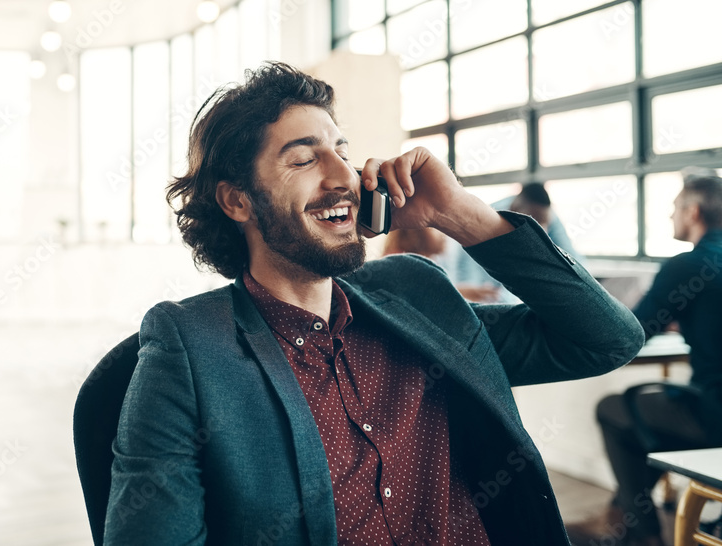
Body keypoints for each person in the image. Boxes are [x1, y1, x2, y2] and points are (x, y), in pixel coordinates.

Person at [103, 62, 644, 545]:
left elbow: (608, 340)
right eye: (303, 160)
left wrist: (461, 216)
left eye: (341, 150)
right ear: (237, 200)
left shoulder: (416, 293)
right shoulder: (189, 347)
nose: (344, 177)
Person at [566, 174, 722, 546]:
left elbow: (630, 333)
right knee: (650, 415)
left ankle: (641, 533)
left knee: (615, 410)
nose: (671, 217)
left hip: (714, 412)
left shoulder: (687, 266)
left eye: (674, 209)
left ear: (694, 212)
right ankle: (620, 515)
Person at [440, 182, 584, 303]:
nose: (542, 232)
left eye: (546, 225)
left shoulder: (547, 215)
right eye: (537, 222)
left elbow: (575, 265)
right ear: (515, 209)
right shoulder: (487, 221)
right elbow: (470, 276)